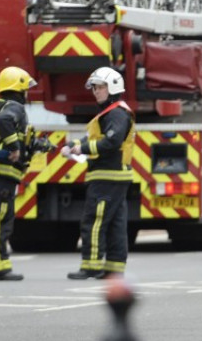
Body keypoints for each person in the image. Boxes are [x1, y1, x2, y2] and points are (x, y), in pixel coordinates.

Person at [62, 67, 136, 280]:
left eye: (100, 87)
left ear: (113, 87)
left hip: (107, 176)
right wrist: (74, 144)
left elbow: (112, 141)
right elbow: (95, 139)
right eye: (94, 88)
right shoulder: (110, 113)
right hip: (110, 176)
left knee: (94, 220)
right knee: (114, 224)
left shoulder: (116, 113)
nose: (96, 91)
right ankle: (114, 268)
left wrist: (82, 149)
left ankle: (91, 266)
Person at [0, 66, 36, 281]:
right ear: (18, 87)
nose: (27, 93)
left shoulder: (0, 107)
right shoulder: (14, 108)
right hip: (0, 175)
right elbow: (5, 125)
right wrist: (15, 149)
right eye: (26, 87)